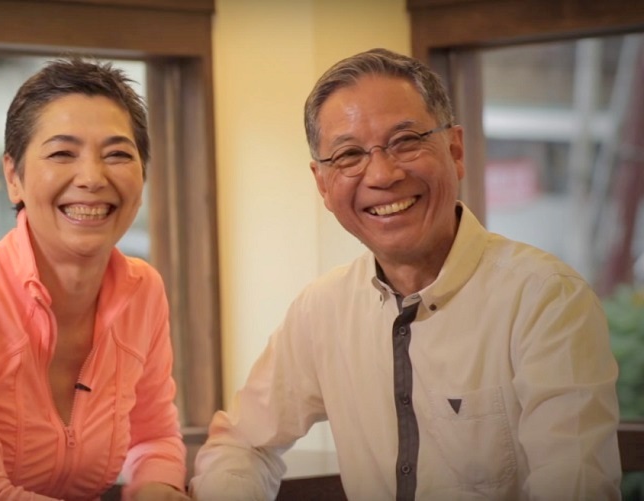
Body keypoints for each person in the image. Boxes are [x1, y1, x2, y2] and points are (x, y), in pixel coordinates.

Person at [190, 48, 622, 500]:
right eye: (349, 154)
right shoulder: (322, 310)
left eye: (405, 141)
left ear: (455, 150)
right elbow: (241, 444)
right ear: (322, 184)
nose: (382, 174)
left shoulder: (546, 299)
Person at [0, 57, 189, 501]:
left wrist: (156, 489)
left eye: (118, 154)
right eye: (62, 153)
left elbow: (154, 437)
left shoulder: (144, 289)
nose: (92, 178)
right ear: (14, 177)